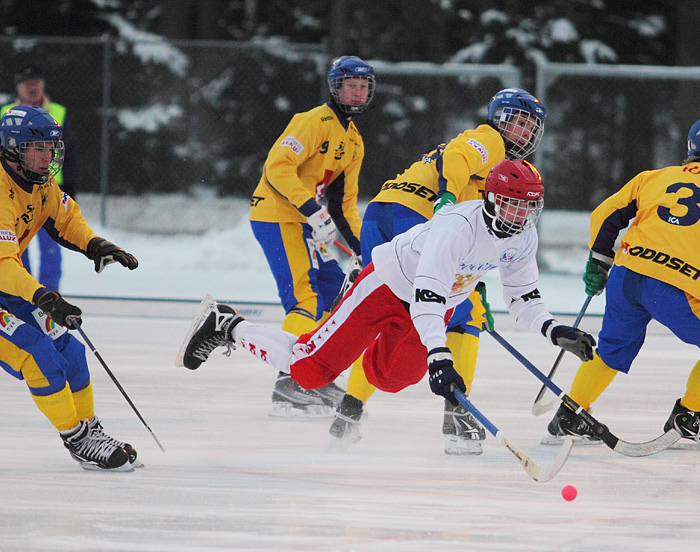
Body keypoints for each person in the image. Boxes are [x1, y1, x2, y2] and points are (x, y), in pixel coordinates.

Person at [176, 159, 597, 452]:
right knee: (310, 369)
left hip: (433, 306)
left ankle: (351, 375)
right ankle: (226, 324)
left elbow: (523, 298)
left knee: (394, 378)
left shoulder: (522, 236)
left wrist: (554, 331)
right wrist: (440, 354)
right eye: (513, 204)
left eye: (529, 206)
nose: (521, 215)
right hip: (384, 288)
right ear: (491, 199)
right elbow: (427, 295)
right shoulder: (457, 228)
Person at [329, 88, 547, 455]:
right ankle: (459, 417)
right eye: (519, 123)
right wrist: (446, 196)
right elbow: (457, 158)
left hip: (383, 213)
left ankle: (349, 412)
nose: (524, 133)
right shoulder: (489, 140)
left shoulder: (510, 167)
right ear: (500, 120)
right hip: (415, 218)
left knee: (391, 314)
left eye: (531, 127)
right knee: (463, 318)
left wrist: (470, 283)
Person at [0, 105, 140, 471]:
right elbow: (3, 267)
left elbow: (65, 217)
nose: (47, 158)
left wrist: (94, 243)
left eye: (51, 149)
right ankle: (76, 438)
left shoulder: (40, 181)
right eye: (37, 149)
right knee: (35, 352)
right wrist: (44, 296)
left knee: (69, 348)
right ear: (12, 149)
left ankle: (90, 429)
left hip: (2, 289)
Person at [545, 116, 700, 449]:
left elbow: (604, 216)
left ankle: (570, 413)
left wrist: (599, 260)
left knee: (611, 349)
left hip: (627, 276)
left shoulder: (653, 177)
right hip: (676, 286)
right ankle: (688, 417)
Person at [248, 55, 375, 419]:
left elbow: (343, 203)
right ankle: (289, 383)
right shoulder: (313, 121)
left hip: (306, 222)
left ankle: (310, 373)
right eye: (350, 85)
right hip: (278, 216)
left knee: (334, 291)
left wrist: (365, 251)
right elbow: (277, 167)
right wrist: (310, 209)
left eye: (363, 87)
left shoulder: (354, 141)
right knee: (305, 296)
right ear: (335, 87)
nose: (357, 92)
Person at [0, 65, 80, 291]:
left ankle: (49, 295)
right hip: (14, 190)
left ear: (43, 86)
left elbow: (72, 152)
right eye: (28, 84)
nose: (33, 88)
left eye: (36, 83)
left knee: (50, 246)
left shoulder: (58, 112)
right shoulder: (6, 112)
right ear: (19, 89)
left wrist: (72, 187)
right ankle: (21, 294)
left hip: (50, 190)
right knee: (16, 246)